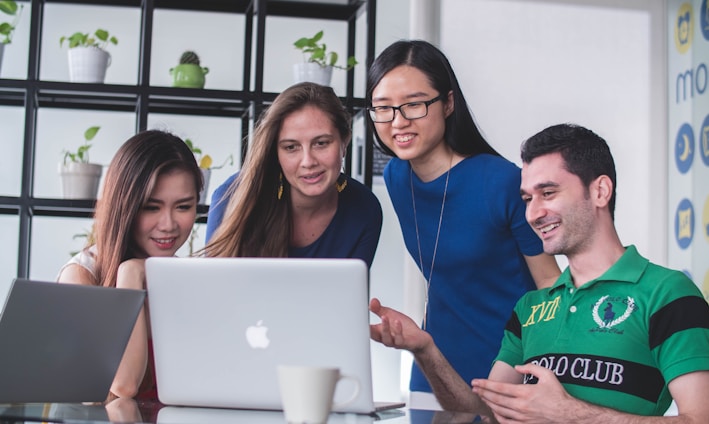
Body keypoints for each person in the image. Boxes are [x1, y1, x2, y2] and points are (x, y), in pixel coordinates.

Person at [370, 123, 709, 422]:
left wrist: (570, 414)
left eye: (548, 193)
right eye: (527, 198)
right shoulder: (530, 307)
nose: (533, 213)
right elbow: (484, 410)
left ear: (600, 191)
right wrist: (425, 348)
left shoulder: (668, 293)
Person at [365, 39, 561, 406]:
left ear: (449, 103)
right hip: (434, 367)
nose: (398, 121)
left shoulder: (501, 181)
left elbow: (549, 284)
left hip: (509, 371)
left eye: (414, 105)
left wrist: (546, 375)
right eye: (383, 108)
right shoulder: (396, 177)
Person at [57, 130, 203, 400]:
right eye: (151, 207)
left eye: (183, 207)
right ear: (124, 206)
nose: (168, 225)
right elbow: (123, 386)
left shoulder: (184, 279)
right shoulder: (81, 275)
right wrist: (131, 276)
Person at [204, 82, 382, 267]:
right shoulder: (232, 196)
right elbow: (214, 289)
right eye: (291, 147)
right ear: (276, 152)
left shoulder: (365, 209)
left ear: (344, 142)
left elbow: (349, 293)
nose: (308, 161)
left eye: (321, 143)